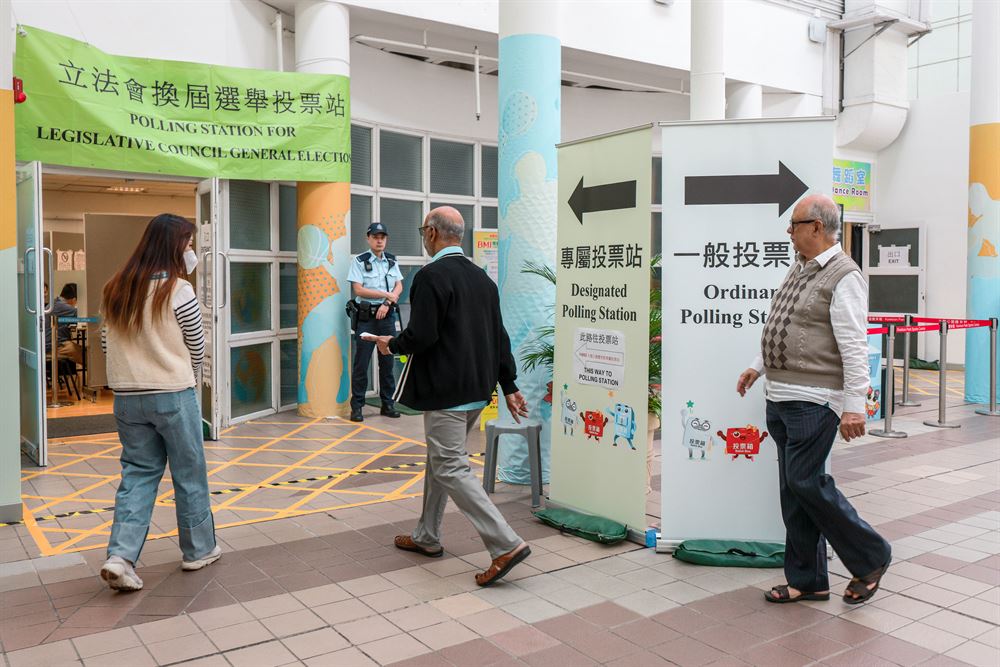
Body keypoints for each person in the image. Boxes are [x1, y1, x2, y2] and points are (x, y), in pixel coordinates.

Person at [735, 194, 891, 605]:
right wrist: (758, 365)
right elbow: (784, 323)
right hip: (781, 395)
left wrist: (854, 405)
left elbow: (854, 345)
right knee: (795, 490)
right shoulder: (801, 268)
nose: (789, 233)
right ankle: (808, 580)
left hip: (814, 400)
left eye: (794, 225)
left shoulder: (845, 276)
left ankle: (871, 556)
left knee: (807, 481)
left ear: (817, 228)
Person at [373, 206, 531, 587]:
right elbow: (500, 338)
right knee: (440, 459)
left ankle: (505, 543)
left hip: (446, 391)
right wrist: (508, 385)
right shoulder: (483, 280)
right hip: (477, 390)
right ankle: (427, 535)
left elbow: (422, 335)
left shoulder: (430, 276)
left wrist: (390, 344)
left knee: (450, 466)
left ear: (430, 233)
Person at [98, 213, 219, 591]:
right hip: (171, 393)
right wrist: (191, 376)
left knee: (136, 474)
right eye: (187, 243)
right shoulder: (178, 290)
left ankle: (120, 557)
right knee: (189, 472)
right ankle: (198, 550)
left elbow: (105, 343)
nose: (191, 250)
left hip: (126, 398)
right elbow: (196, 344)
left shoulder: (115, 287)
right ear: (173, 245)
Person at [348, 222, 404, 422]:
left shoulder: (391, 260)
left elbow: (399, 286)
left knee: (387, 362)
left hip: (386, 316)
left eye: (383, 237)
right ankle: (357, 406)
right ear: (368, 238)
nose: (380, 240)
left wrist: (387, 303)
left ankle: (387, 404)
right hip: (366, 319)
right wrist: (384, 294)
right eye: (376, 237)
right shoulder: (360, 261)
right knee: (361, 364)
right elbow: (359, 290)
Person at [44, 283, 83, 365]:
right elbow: (83, 316)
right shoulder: (64, 307)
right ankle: (95, 374)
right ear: (74, 299)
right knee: (86, 354)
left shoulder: (55, 303)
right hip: (53, 347)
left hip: (47, 345)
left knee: (79, 349)